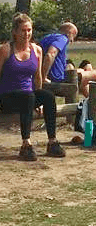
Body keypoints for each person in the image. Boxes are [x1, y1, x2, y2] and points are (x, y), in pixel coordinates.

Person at [0, 13, 65, 161]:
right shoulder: (5, 50)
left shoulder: (36, 50)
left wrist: (39, 101)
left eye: (29, 30)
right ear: (15, 32)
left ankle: (52, 142)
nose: (27, 34)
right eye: (23, 30)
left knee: (47, 96)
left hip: (27, 97)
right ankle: (26, 144)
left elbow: (37, 78)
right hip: (7, 97)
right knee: (28, 96)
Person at [40, 22, 96, 113]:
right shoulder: (62, 38)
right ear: (69, 33)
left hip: (58, 75)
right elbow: (50, 54)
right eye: (74, 36)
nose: (72, 41)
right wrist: (43, 77)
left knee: (84, 72)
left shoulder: (47, 38)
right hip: (58, 80)